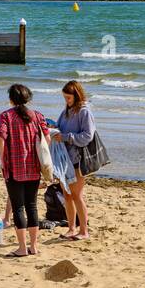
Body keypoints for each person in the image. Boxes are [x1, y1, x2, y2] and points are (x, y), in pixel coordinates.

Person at [0, 83, 49, 257]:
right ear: (28, 98)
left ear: (11, 99)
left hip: (13, 168)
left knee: (18, 207)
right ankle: (34, 246)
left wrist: (3, 160)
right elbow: (47, 138)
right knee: (32, 206)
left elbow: (0, 139)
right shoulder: (38, 115)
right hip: (34, 167)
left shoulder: (6, 116)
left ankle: (22, 248)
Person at [51, 79, 95, 240]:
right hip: (64, 160)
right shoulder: (66, 111)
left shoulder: (84, 112)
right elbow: (60, 127)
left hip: (77, 160)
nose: (66, 101)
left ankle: (84, 231)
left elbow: (87, 136)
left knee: (77, 195)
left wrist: (66, 137)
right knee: (67, 195)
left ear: (76, 95)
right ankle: (71, 228)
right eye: (65, 98)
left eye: (68, 98)